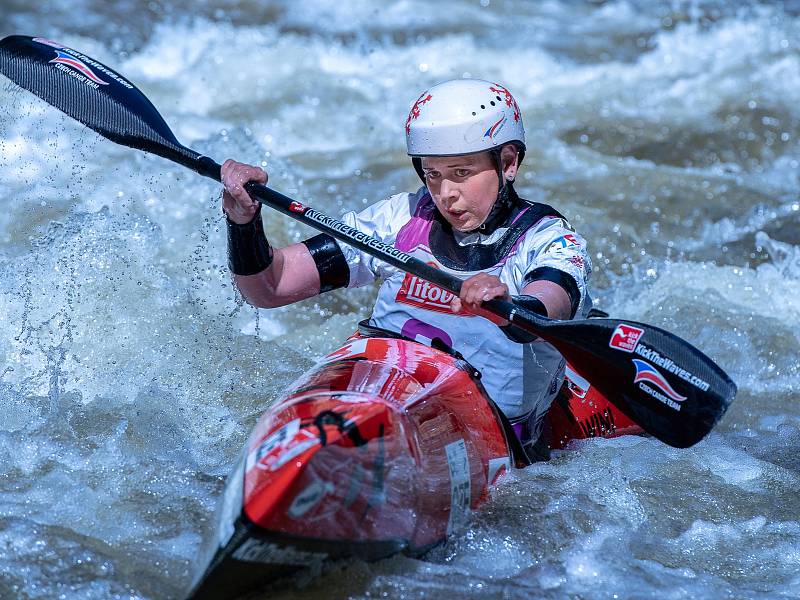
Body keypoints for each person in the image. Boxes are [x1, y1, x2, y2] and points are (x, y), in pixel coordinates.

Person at [221, 79, 591, 462]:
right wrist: (243, 221)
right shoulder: (400, 219)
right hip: (376, 391)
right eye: (432, 174)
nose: (445, 192)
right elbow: (269, 288)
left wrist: (509, 303)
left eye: (461, 172)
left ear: (509, 162)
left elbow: (549, 305)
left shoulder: (548, 241)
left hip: (481, 433)